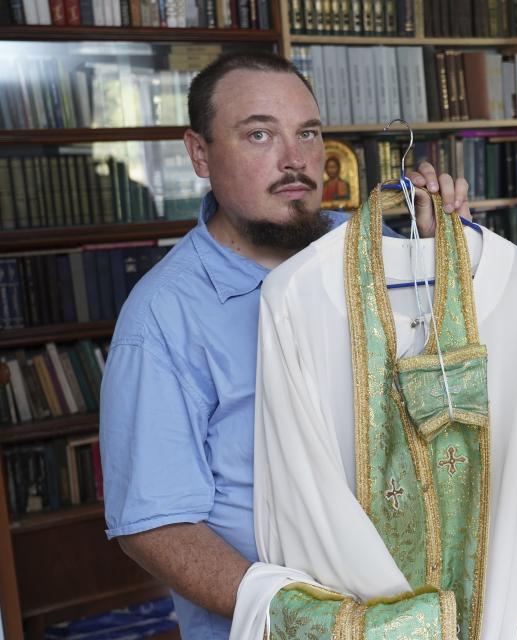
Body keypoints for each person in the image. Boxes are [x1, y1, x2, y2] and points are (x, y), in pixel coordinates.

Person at [98, 51, 472, 639]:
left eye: (308, 133)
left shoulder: (369, 250)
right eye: (259, 135)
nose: (294, 160)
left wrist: (444, 262)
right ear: (200, 153)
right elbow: (155, 526)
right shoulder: (161, 319)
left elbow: (444, 400)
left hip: (418, 606)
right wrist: (311, 621)